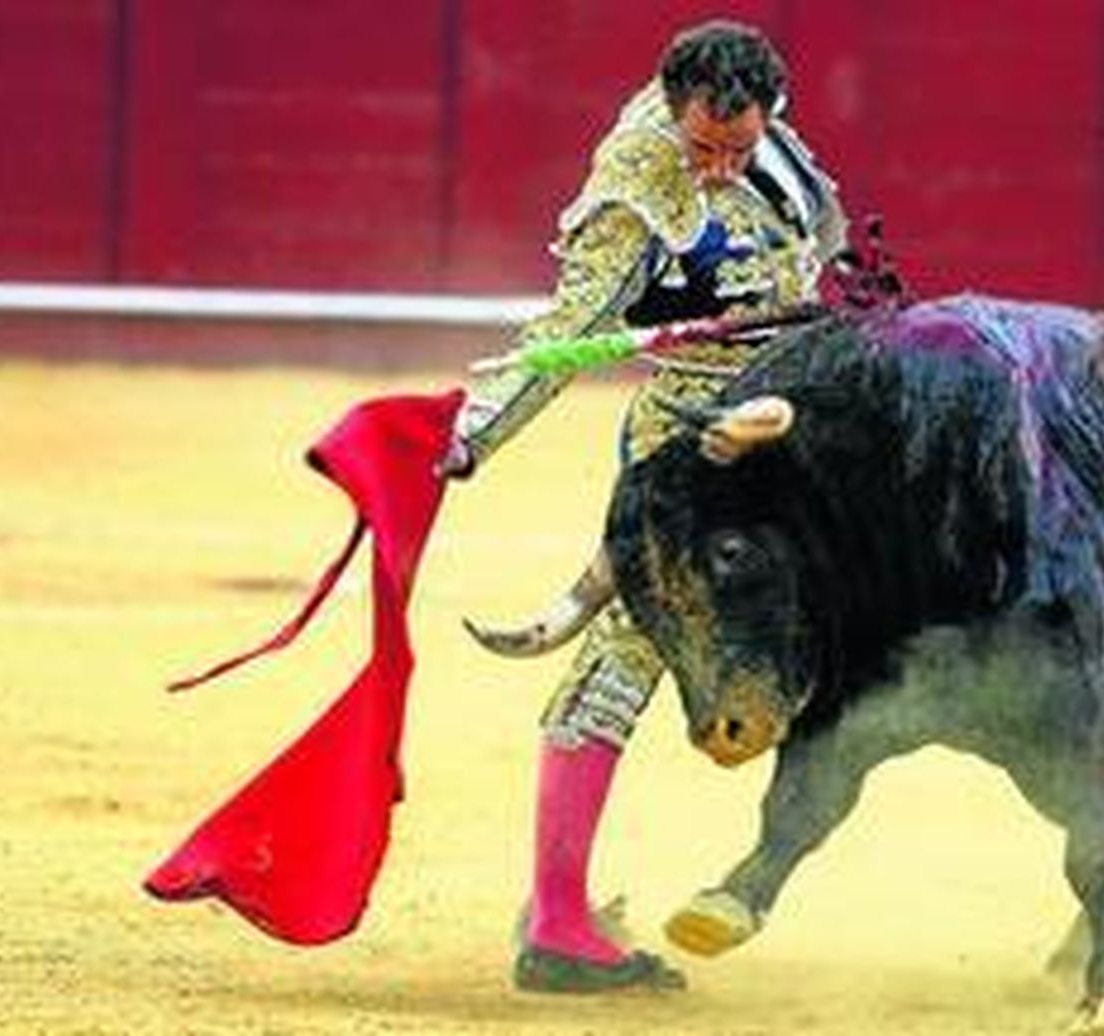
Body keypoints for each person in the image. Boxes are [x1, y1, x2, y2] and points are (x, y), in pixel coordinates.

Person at [439, 20, 848, 993]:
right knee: (628, 639)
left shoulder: (772, 145)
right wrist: (470, 438)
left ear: (767, 114)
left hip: (796, 419)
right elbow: (565, 331)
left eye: (735, 148)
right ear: (672, 114)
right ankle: (557, 921)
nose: (716, 165)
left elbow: (815, 248)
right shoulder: (635, 183)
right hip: (688, 444)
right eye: (701, 147)